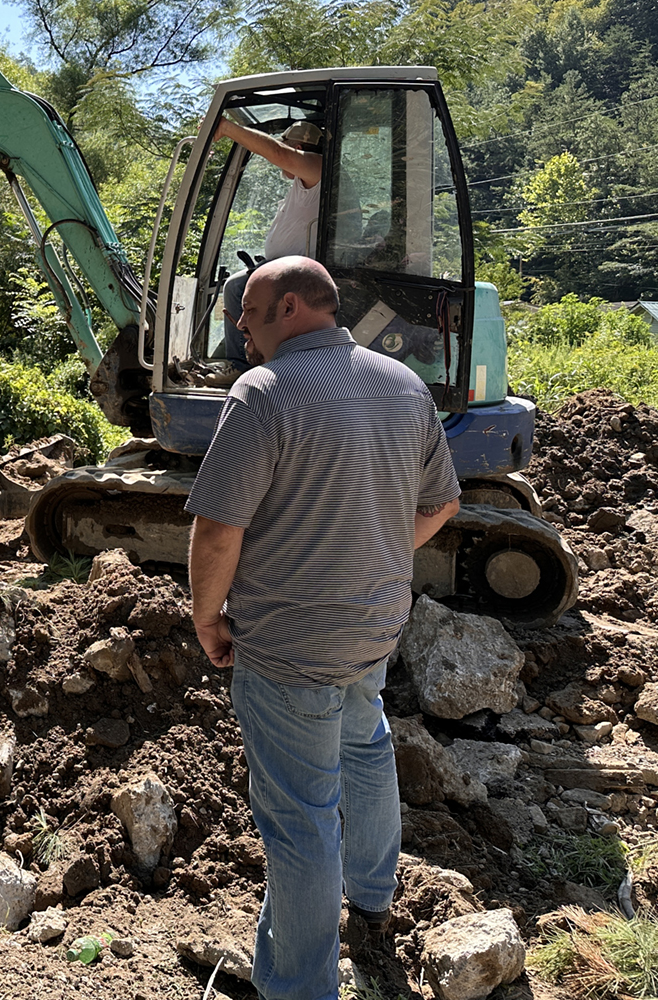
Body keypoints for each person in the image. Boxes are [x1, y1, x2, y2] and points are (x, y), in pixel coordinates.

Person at [185, 256, 461, 1000]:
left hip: (290, 645)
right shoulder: (403, 385)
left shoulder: (264, 392)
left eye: (249, 313)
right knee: (365, 746)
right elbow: (442, 502)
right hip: (373, 627)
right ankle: (373, 897)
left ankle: (300, 988)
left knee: (300, 820)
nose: (241, 331)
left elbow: (218, 529)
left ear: (291, 308)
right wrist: (380, 551)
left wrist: (207, 617)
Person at [213, 118, 361, 370]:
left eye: (288, 145)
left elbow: (279, 153)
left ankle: (240, 367)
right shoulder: (310, 183)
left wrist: (227, 128)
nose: (281, 159)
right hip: (293, 267)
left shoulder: (319, 167)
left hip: (301, 274)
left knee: (237, 288)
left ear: (299, 148)